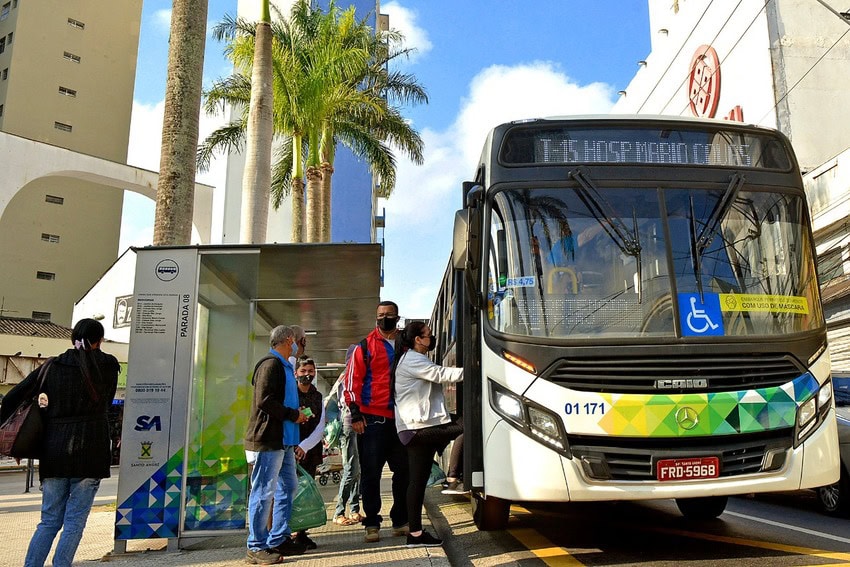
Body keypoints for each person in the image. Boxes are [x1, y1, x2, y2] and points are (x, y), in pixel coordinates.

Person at [12, 318, 119, 567]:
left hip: (54, 451)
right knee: (74, 522)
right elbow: (107, 403)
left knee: (49, 521)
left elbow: (14, 398)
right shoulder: (109, 365)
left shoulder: (52, 367)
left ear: (72, 339)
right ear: (99, 340)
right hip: (91, 451)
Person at [342, 300, 410, 543]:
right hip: (372, 420)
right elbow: (351, 382)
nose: (384, 319)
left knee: (404, 472)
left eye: (389, 315)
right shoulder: (365, 347)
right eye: (381, 315)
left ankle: (400, 519)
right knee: (371, 474)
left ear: (397, 317)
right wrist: (356, 414)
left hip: (402, 421)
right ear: (376, 318)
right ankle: (372, 523)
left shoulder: (407, 344)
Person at [392, 320, 463, 548]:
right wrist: (477, 368)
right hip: (418, 428)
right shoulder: (413, 359)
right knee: (465, 426)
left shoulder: (411, 358)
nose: (431, 338)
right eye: (428, 335)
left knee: (418, 481)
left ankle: (414, 534)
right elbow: (441, 374)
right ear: (418, 340)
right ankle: (454, 475)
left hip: (417, 427)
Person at [244, 325, 310, 565]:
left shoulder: (284, 366)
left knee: (288, 486)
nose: (298, 345)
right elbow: (264, 400)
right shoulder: (270, 365)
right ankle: (256, 545)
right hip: (269, 439)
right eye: (297, 341)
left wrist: (296, 414)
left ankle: (278, 537)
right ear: (289, 340)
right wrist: (293, 415)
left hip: (284, 441)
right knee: (263, 492)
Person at [293, 356, 325, 550]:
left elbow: (320, 424)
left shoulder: (317, 395)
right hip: (291, 449)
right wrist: (296, 447)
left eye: (310, 371)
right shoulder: (290, 393)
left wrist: (305, 446)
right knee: (290, 492)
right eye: (303, 371)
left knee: (306, 492)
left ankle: (302, 533)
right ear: (296, 372)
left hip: (310, 449)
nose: (307, 375)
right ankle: (288, 531)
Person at [328, 346, 362, 526]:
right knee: (351, 470)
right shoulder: (347, 375)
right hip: (349, 426)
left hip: (358, 427)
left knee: (358, 470)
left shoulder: (353, 374)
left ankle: (355, 509)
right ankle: (339, 512)